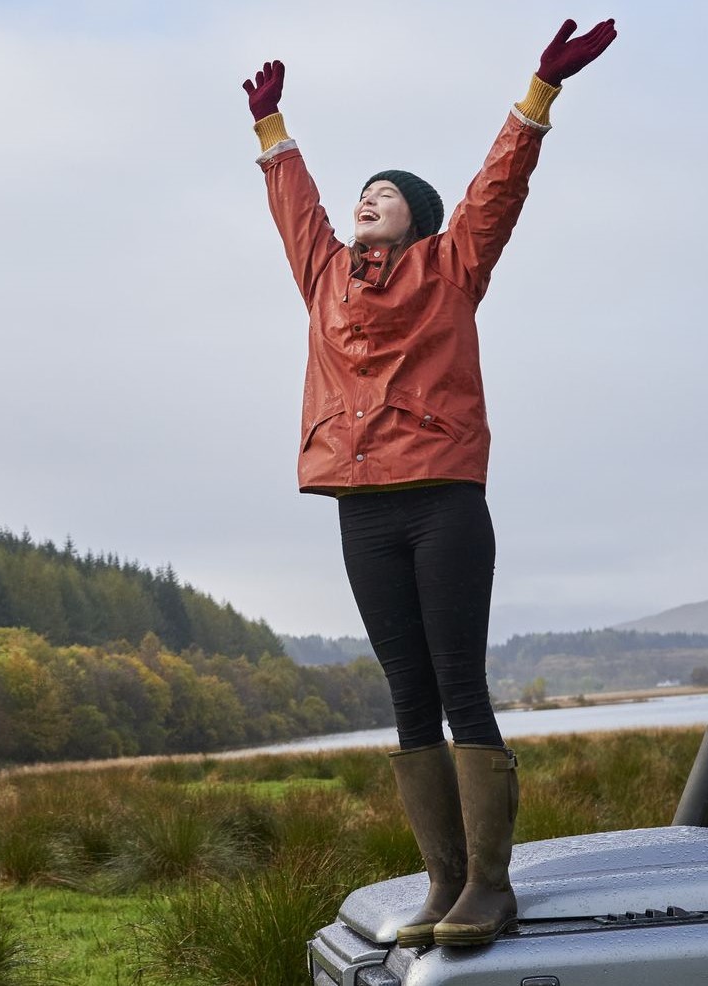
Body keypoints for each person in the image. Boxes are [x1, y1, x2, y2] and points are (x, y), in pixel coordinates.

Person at [241, 18, 617, 948]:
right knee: (404, 689)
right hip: (361, 510)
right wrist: (273, 130)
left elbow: (497, 190)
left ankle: (491, 886)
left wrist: (539, 95)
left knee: (460, 685)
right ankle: (443, 884)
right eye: (362, 192)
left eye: (386, 195)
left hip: (443, 500)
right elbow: (296, 208)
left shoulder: (452, 267)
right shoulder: (325, 274)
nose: (367, 199)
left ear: (419, 217)